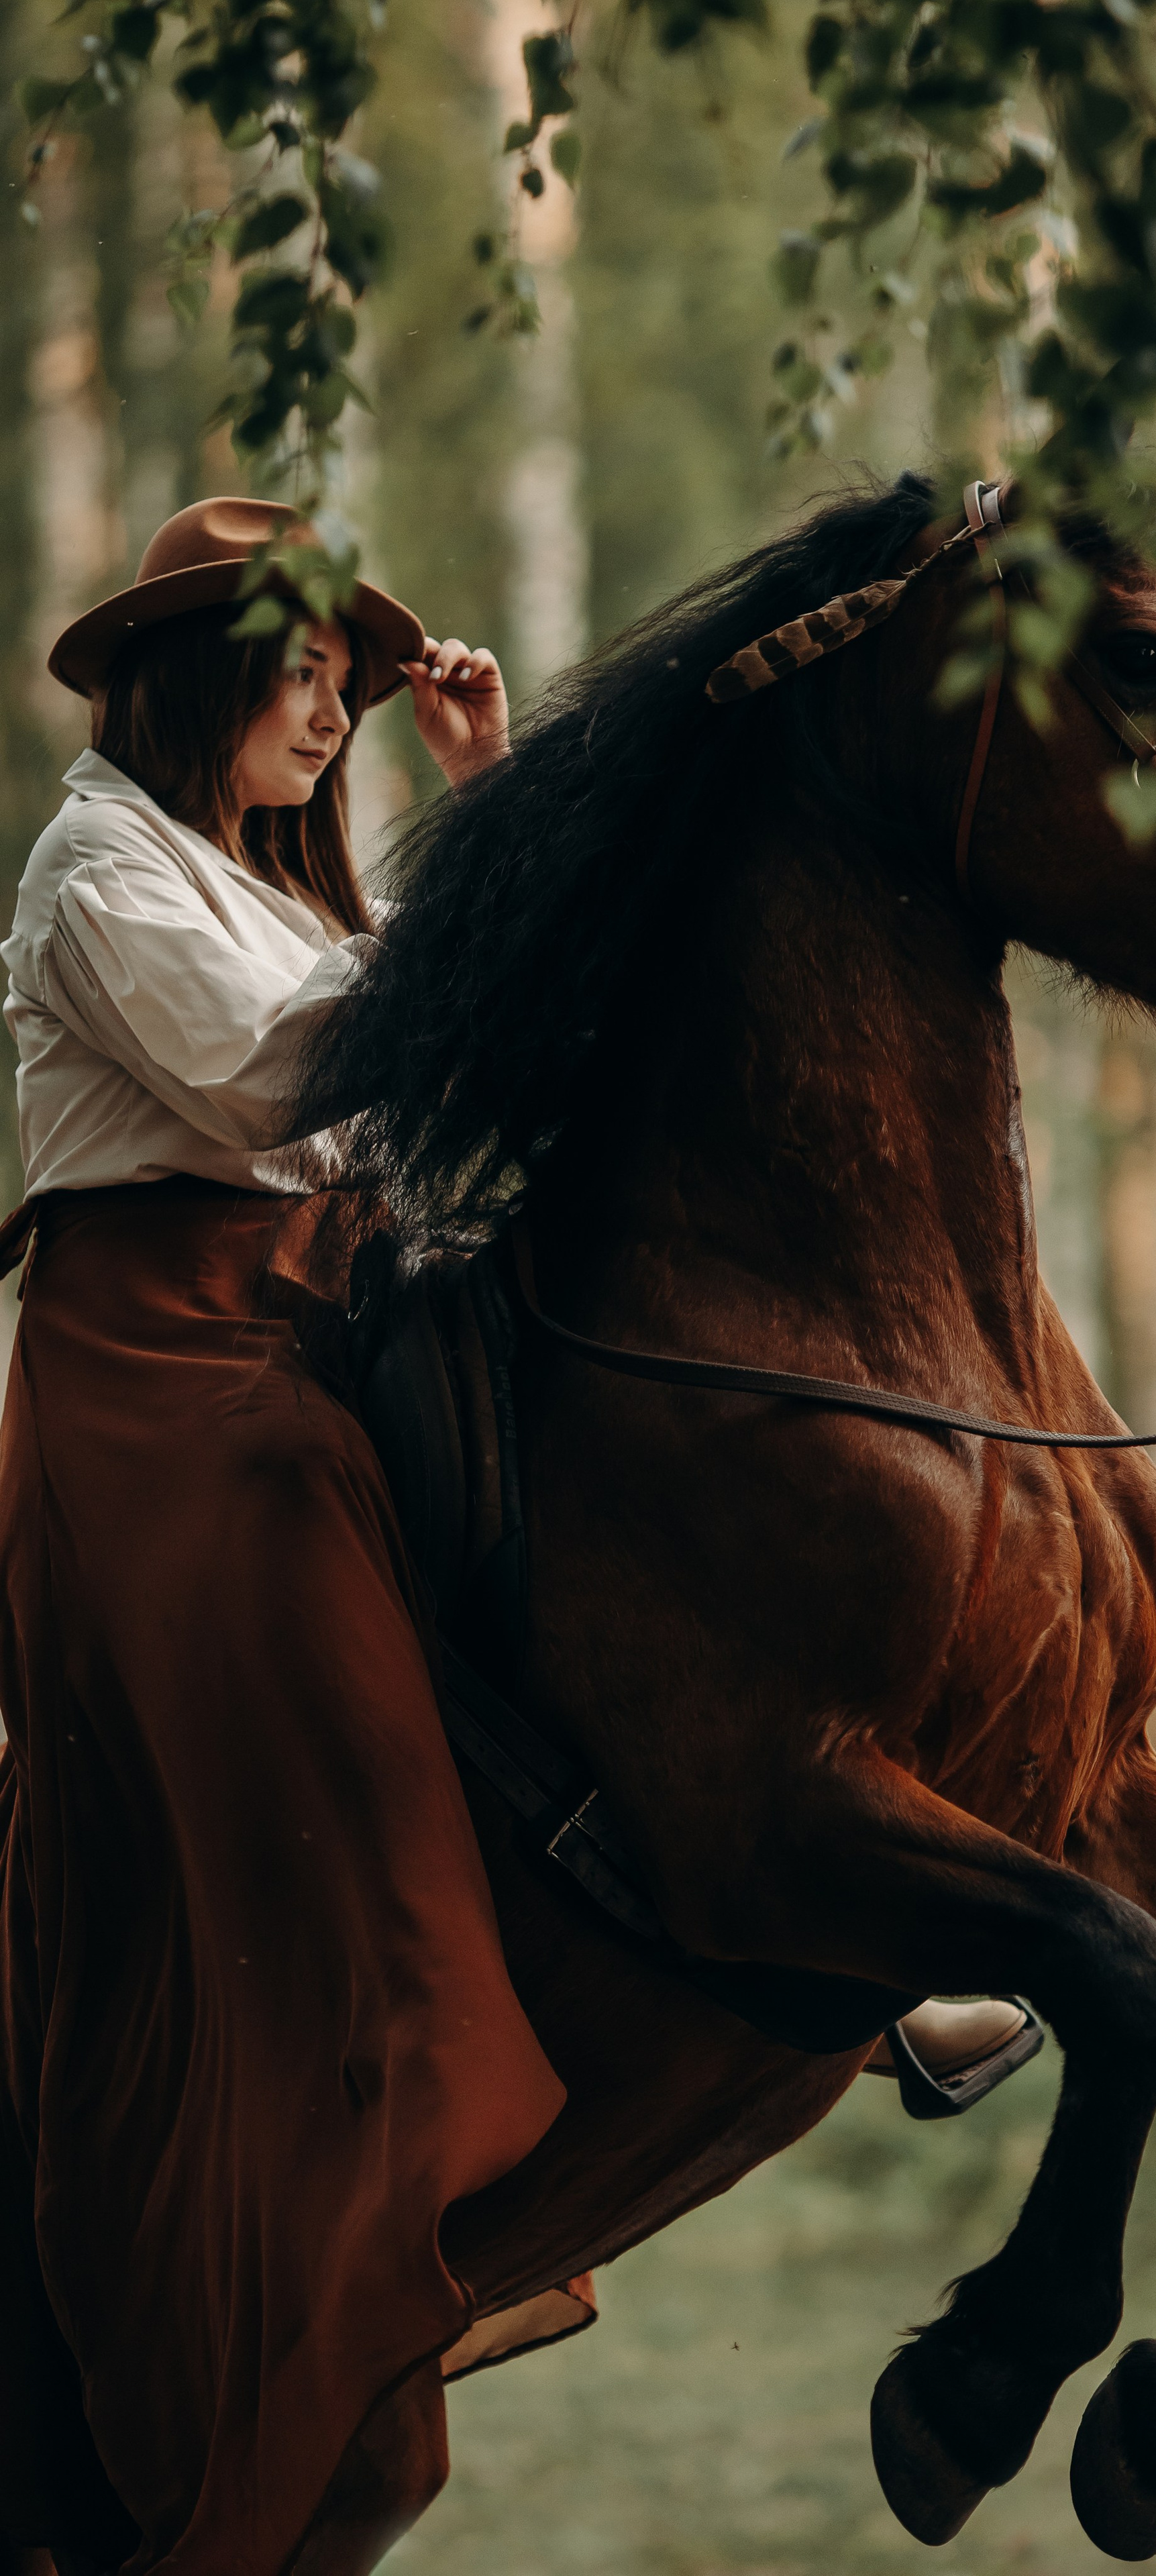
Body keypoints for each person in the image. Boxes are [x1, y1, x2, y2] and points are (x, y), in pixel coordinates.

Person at [0, 500, 1029, 2574]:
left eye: (340, 675)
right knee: (320, 1537)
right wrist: (496, 874)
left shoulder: (285, 886)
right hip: (168, 1366)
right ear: (195, 671)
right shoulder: (98, 864)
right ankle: (402, 2098)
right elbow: (281, 1079)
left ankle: (856, 1884)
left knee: (619, 1474)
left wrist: (475, 813)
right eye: (294, 664)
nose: (326, 700)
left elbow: (420, 1107)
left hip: (324, 1308)